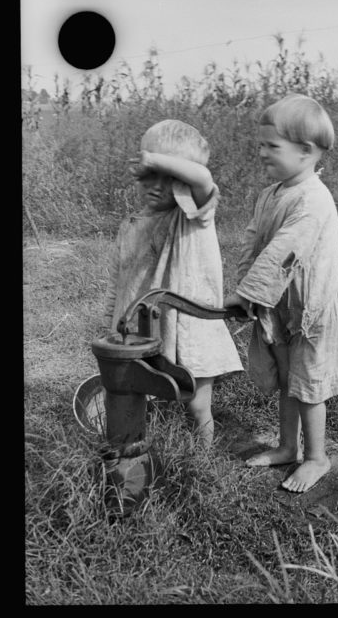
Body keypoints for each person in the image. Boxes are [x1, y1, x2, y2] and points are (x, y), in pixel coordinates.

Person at [225, 94, 338, 493]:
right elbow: (254, 245)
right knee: (288, 379)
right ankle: (288, 446)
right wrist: (245, 292)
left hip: (313, 310)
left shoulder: (313, 198)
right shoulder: (271, 194)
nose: (262, 152)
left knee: (308, 385)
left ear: (305, 151)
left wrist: (253, 292)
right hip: (281, 304)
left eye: (272, 146)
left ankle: (317, 456)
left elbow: (285, 248)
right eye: (261, 144)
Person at [103, 119, 243, 449]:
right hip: (143, 330)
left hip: (189, 329)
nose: (157, 185)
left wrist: (152, 160)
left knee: (196, 403)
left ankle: (203, 459)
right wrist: (110, 325)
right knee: (138, 394)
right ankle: (141, 449)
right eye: (149, 175)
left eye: (170, 178)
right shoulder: (131, 225)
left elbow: (204, 179)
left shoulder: (193, 217)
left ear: (183, 181)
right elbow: (117, 282)